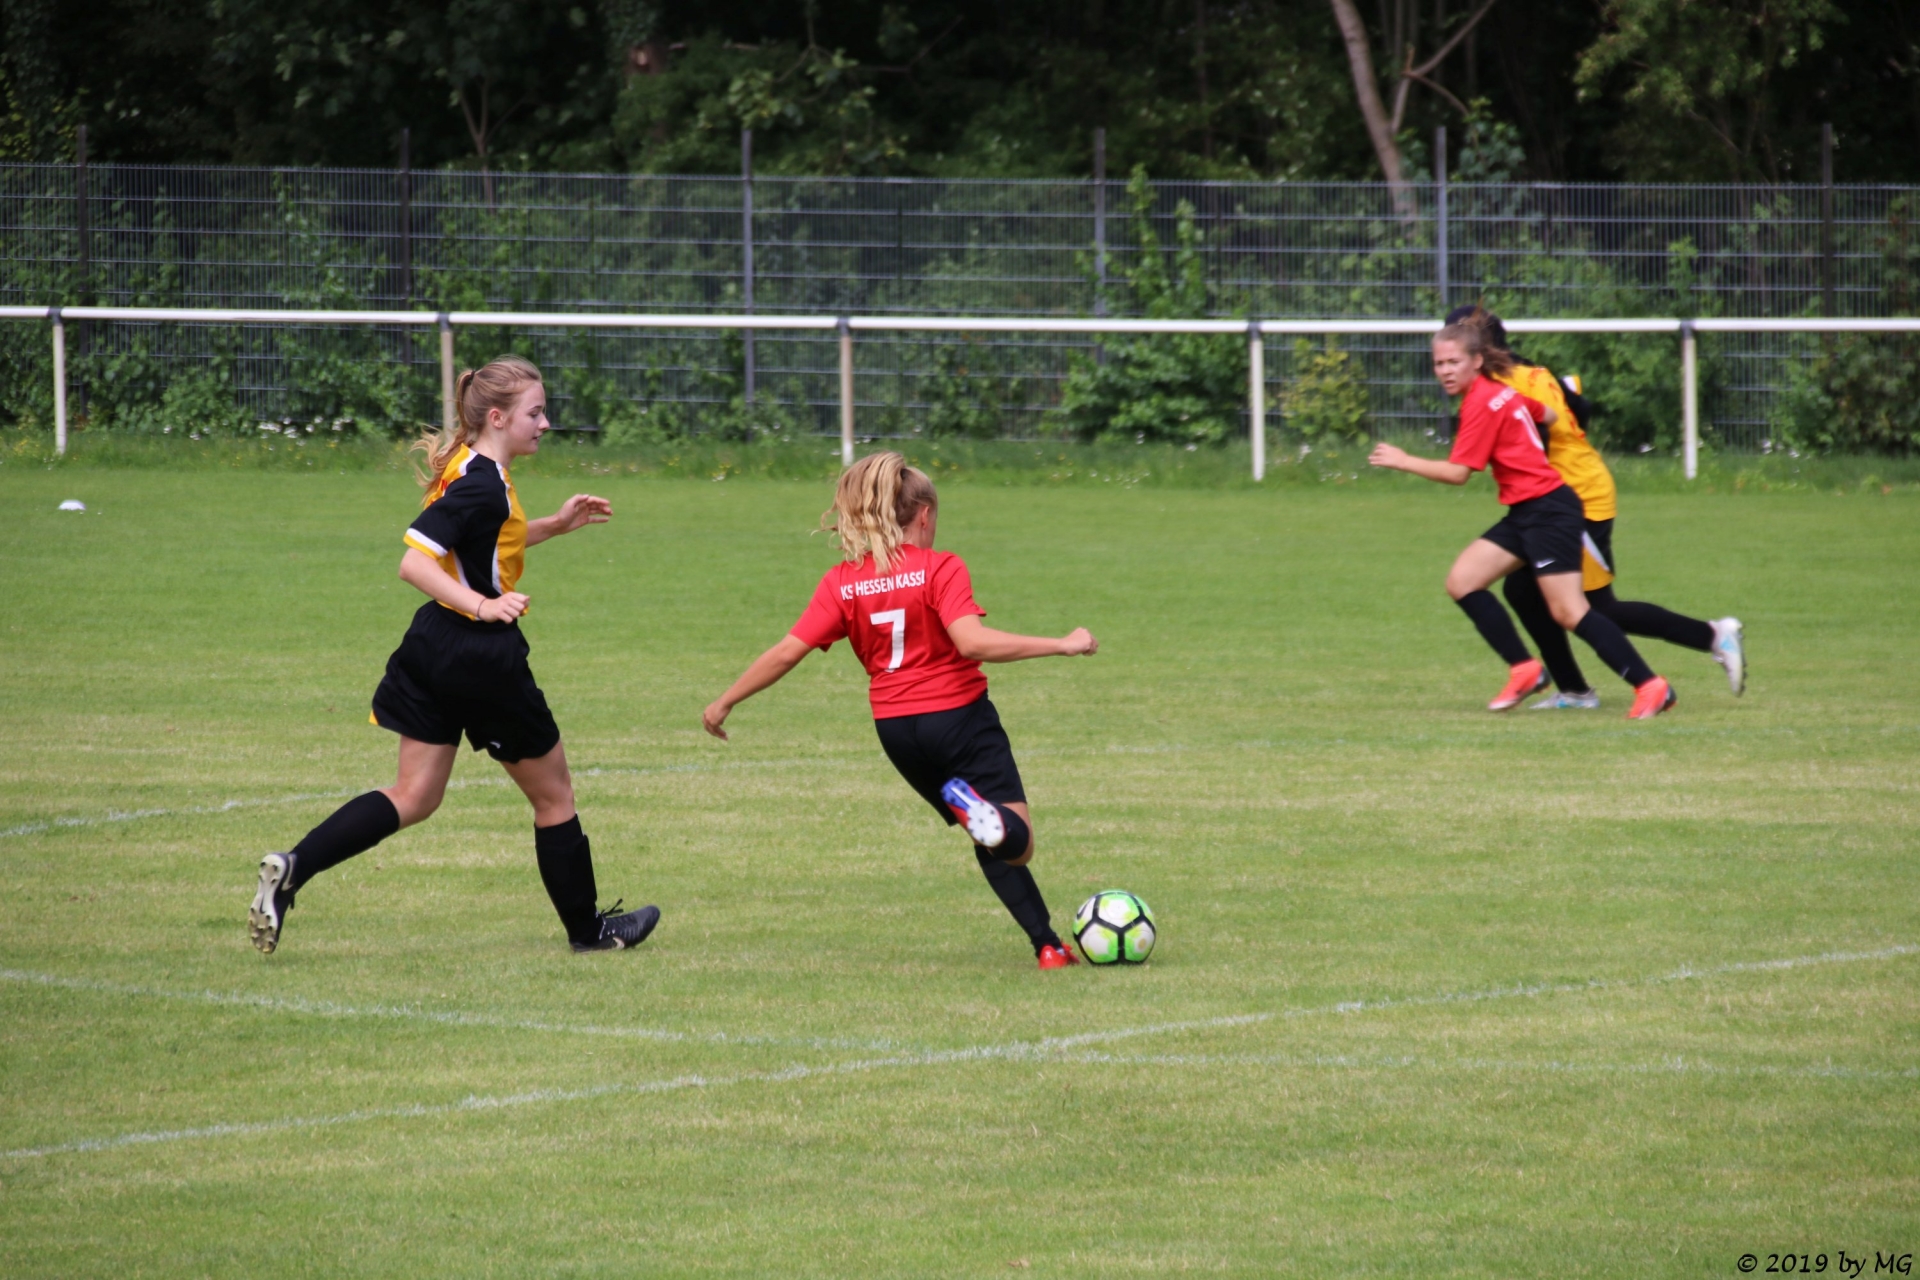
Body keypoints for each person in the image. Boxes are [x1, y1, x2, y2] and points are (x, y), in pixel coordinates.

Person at [248, 355, 659, 955]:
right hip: (479, 657)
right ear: (498, 417)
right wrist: (483, 606)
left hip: (432, 646)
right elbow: (413, 563)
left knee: (414, 795)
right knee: (554, 796)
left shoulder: (470, 464)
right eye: (536, 413)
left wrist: (554, 524)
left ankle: (293, 869)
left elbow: (479, 542)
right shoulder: (482, 484)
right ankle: (589, 932)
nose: (546, 424)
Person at [702, 452, 1098, 969]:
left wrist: (725, 700)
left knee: (985, 832)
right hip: (959, 717)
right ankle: (985, 823)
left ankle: (1047, 946)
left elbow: (785, 653)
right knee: (1015, 843)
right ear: (925, 515)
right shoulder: (940, 567)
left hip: (896, 732)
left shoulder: (842, 582)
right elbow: (972, 642)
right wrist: (1062, 644)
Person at [1368, 312, 1676, 720]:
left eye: (1453, 362)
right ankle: (1525, 669)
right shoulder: (1500, 391)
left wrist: (1403, 460)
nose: (1445, 371)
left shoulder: (1481, 402)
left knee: (1569, 611)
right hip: (1528, 508)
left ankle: (1650, 686)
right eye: (1439, 363)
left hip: (1548, 510)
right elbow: (1548, 415)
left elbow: (1459, 474)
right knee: (1462, 582)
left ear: (1477, 360)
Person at [1440, 305, 1746, 710]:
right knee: (1524, 590)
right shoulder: (1532, 371)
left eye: (1455, 350)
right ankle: (1573, 689)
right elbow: (1579, 409)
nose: (1448, 361)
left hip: (1575, 496)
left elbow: (1536, 438)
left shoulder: (1501, 386)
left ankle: (1711, 637)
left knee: (1593, 609)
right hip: (1564, 492)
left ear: (1477, 349)